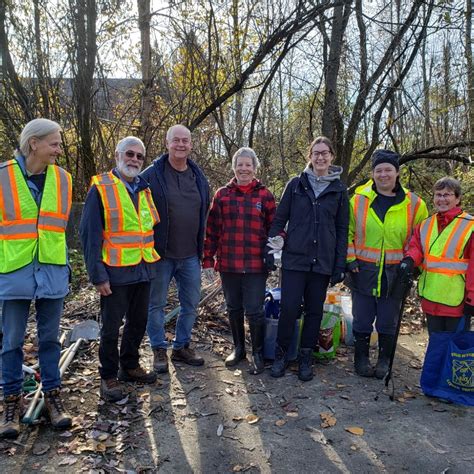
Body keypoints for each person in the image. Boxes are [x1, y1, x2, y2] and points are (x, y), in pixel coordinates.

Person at [0, 118, 72, 438]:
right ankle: (11, 403)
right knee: (11, 341)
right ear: (34, 144)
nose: (59, 149)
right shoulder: (2, 177)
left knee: (49, 339)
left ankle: (53, 396)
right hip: (13, 272)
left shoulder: (64, 179)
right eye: (54, 143)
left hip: (52, 270)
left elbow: (57, 228)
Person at [80, 136, 159, 402]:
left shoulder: (144, 190)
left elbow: (147, 230)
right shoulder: (101, 188)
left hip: (143, 269)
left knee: (139, 322)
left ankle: (130, 365)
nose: (134, 159)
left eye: (139, 156)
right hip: (114, 273)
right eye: (130, 154)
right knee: (111, 327)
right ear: (117, 155)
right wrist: (97, 274)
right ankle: (108, 376)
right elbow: (90, 235)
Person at [268, 136, 349, 381]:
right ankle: (281, 355)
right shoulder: (295, 184)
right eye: (316, 153)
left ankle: (305, 358)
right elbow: (280, 219)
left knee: (314, 311)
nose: (321, 157)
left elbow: (342, 229)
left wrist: (339, 264)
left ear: (332, 156)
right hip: (294, 260)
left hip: (322, 261)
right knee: (289, 309)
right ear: (309, 156)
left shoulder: (339, 190)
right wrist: (275, 241)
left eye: (325, 153)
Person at [346, 149, 428, 379]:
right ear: (372, 173)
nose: (383, 175)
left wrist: (411, 263)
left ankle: (384, 360)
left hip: (396, 273)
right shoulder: (358, 199)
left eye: (388, 170)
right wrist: (350, 259)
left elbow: (420, 239)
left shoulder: (415, 204)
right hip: (362, 269)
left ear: (397, 173)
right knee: (361, 317)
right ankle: (361, 359)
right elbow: (347, 233)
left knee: (387, 319)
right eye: (379, 170)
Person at [142, 125, 210, 373]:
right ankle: (159, 349)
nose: (181, 145)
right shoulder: (151, 175)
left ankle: (181, 347)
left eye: (185, 141)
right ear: (167, 143)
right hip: (160, 254)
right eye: (176, 140)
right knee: (156, 304)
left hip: (191, 254)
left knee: (191, 303)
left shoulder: (199, 177)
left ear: (191, 145)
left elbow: (205, 214)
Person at [203, 147, 276, 373]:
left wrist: (274, 251)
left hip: (256, 264)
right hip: (229, 263)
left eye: (248, 165)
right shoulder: (222, 195)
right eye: (240, 164)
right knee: (234, 308)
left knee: (254, 310)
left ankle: (257, 352)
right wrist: (207, 257)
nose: (244, 169)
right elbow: (212, 229)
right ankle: (239, 348)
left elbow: (275, 229)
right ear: (234, 167)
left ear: (255, 168)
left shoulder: (265, 196)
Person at [401, 177, 473, 335]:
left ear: (458, 198)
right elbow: (416, 247)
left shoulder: (470, 226)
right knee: (435, 344)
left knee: (455, 350)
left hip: (457, 302)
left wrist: (472, 298)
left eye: (447, 195)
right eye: (438, 195)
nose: (442, 199)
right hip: (431, 298)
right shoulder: (426, 224)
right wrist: (409, 260)